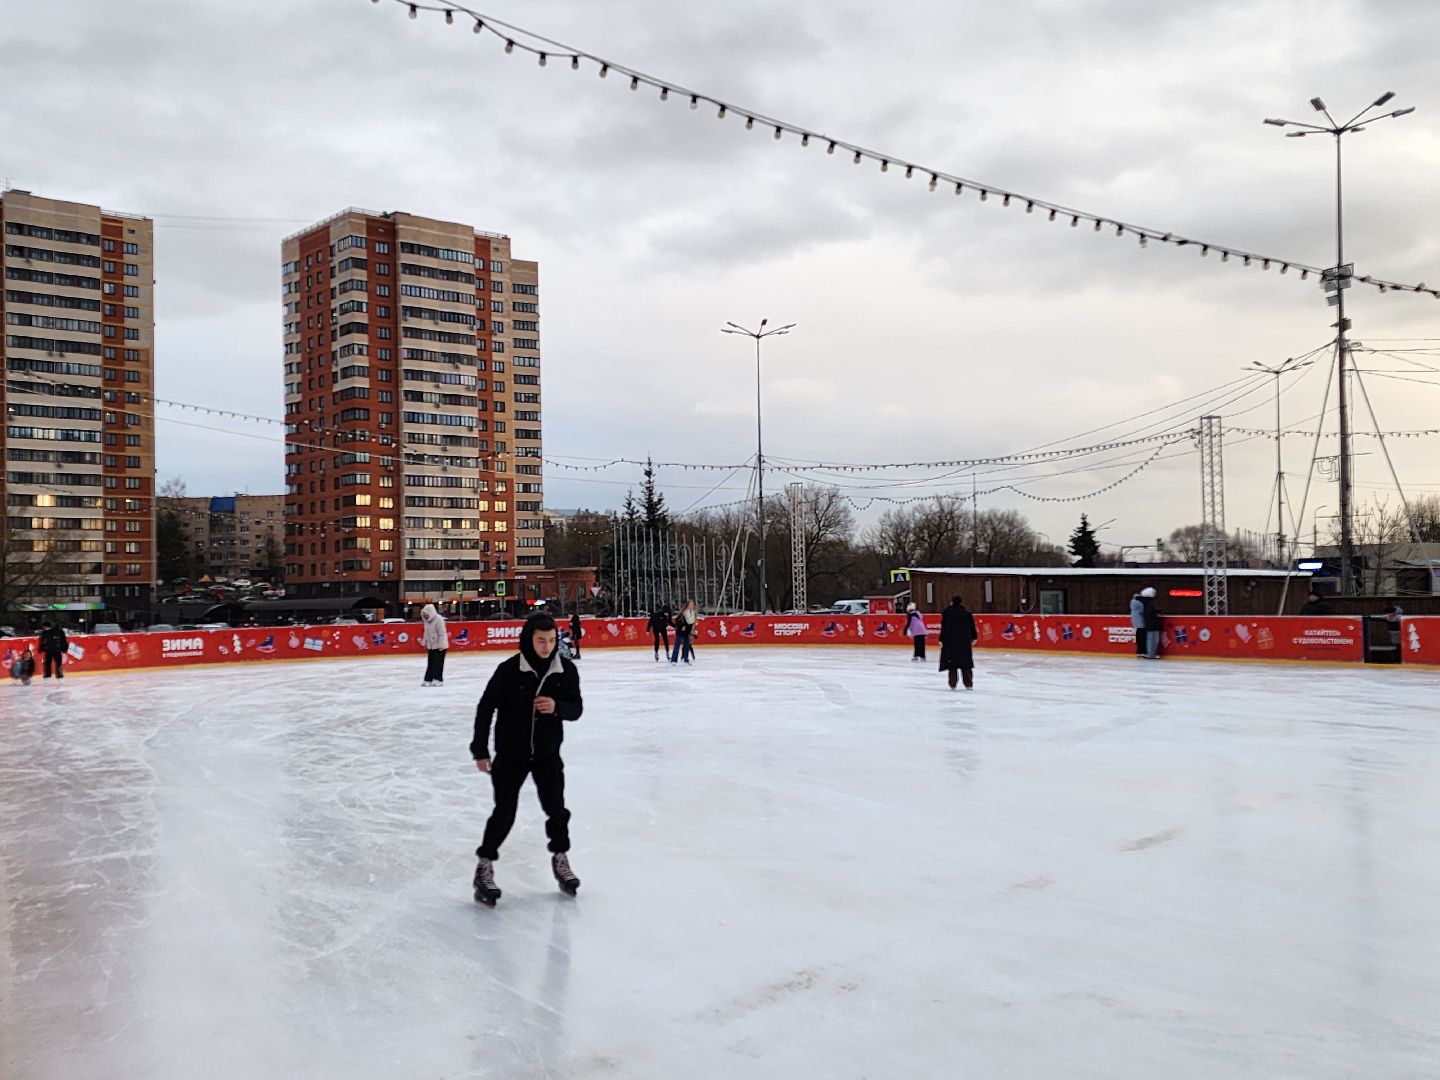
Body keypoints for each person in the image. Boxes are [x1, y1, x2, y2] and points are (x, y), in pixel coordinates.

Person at [470, 612, 584, 904]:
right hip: (511, 754)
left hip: (547, 754)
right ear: (528, 639)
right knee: (504, 811)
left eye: (550, 640)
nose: (546, 646)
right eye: (540, 640)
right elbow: (486, 708)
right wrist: (480, 750)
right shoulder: (509, 670)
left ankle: (561, 859)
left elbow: (576, 709)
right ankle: (484, 866)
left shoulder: (565, 670)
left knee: (557, 810)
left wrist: (557, 706)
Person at [938, 596, 978, 689]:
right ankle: (968, 683)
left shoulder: (946, 614)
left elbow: (944, 628)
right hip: (964, 641)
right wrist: (974, 637)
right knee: (965, 664)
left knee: (952, 664)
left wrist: (941, 639)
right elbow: (972, 627)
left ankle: (952, 683)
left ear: (951, 602)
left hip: (950, 642)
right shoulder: (967, 614)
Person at [420, 603, 449, 686]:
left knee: (438, 664)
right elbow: (426, 633)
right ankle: (428, 679)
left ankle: (438, 679)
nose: (425, 616)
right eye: (424, 614)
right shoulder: (426, 621)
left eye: (426, 614)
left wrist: (442, 645)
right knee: (430, 663)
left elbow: (442, 633)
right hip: (431, 646)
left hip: (440, 646)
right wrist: (424, 642)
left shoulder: (439, 619)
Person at [670, 599, 697, 664]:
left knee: (687, 645)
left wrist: (692, 630)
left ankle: (686, 659)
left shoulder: (693, 613)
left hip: (687, 631)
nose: (691, 606)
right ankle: (674, 660)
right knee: (677, 645)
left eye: (692, 605)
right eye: (690, 604)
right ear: (687, 605)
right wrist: (681, 626)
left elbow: (692, 623)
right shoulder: (683, 613)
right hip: (680, 631)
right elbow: (677, 621)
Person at [1139, 587, 1162, 659]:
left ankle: (1150, 653)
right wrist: (1158, 611)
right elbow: (1151, 612)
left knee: (1151, 639)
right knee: (1153, 640)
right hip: (1152, 624)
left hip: (1149, 624)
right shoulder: (1150, 604)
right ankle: (1151, 654)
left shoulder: (1145, 603)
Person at [1129, 592, 1146, 657]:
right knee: (1142, 638)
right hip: (1141, 623)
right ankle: (1142, 651)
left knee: (1138, 638)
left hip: (1135, 623)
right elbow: (1143, 612)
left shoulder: (1132, 604)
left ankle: (1138, 651)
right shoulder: (1140, 604)